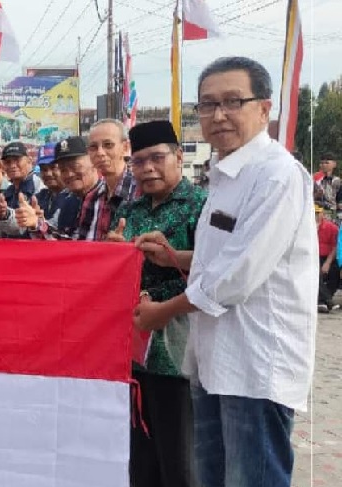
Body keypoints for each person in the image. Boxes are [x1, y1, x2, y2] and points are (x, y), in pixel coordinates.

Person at [133, 57, 317, 487]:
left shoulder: (276, 176)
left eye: (233, 101)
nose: (218, 115)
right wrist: (175, 257)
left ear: (263, 108)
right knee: (212, 478)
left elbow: (236, 276)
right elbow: (221, 257)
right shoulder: (224, 173)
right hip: (213, 358)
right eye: (207, 104)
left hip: (255, 364)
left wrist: (163, 312)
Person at [106, 120, 205, 487]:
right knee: (141, 458)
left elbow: (220, 266)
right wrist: (113, 253)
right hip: (134, 351)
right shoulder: (132, 211)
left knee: (179, 459)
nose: (147, 168)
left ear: (179, 157)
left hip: (180, 349)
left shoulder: (200, 206)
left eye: (157, 158)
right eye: (139, 161)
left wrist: (174, 256)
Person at [86, 119, 139, 240]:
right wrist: (38, 224)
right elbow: (79, 244)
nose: (100, 153)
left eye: (108, 145)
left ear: (125, 147)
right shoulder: (91, 197)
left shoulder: (141, 193)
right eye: (93, 147)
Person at [0, 142, 44, 238]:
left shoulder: (39, 188)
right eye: (8, 162)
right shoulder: (7, 192)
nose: (12, 165)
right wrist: (1, 215)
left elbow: (27, 227)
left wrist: (6, 215)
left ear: (29, 161)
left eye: (17, 160)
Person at [34, 142, 69, 224]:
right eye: (44, 169)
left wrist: (38, 224)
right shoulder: (39, 197)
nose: (48, 174)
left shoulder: (74, 197)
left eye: (53, 167)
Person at [316, 204, 339, 313]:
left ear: (323, 214)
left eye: (317, 213)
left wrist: (328, 263)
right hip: (314, 257)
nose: (315, 215)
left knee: (334, 273)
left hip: (328, 257)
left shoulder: (332, 228)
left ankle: (321, 300)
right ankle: (326, 300)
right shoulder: (306, 227)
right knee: (314, 272)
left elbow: (335, 247)